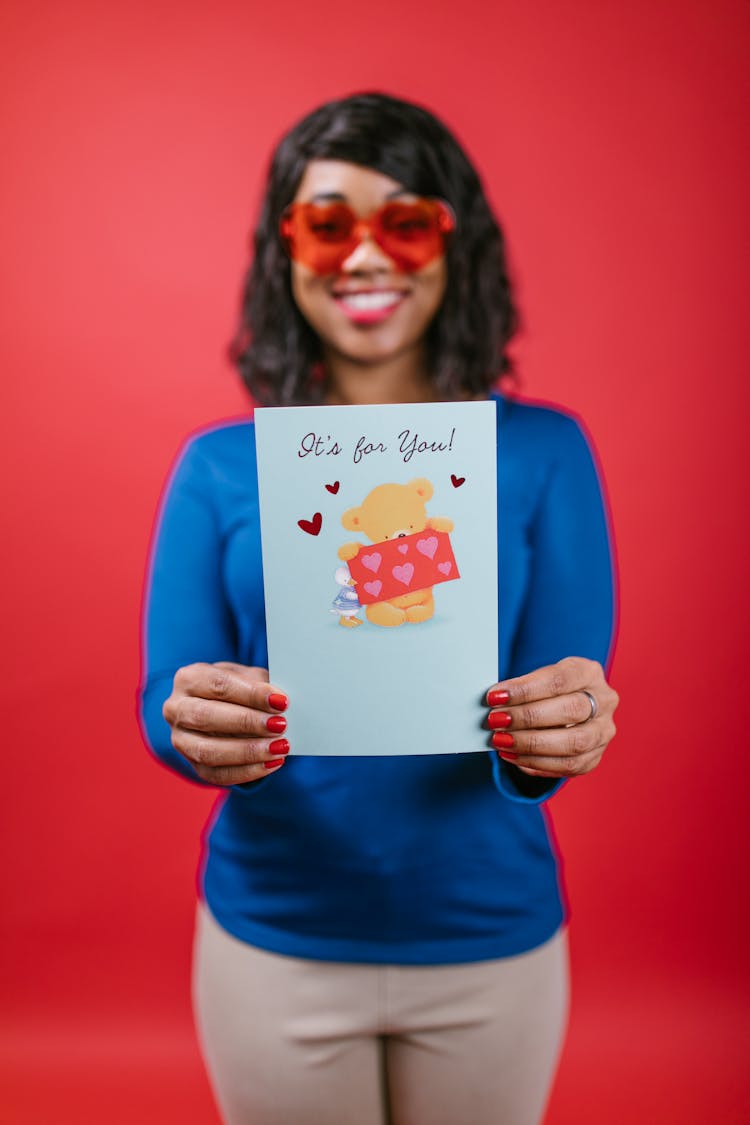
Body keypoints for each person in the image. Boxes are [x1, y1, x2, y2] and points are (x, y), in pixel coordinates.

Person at [139, 92, 619, 1125]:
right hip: (273, 936)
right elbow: (161, 706)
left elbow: (570, 688)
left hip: (491, 939)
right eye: (327, 223)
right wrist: (195, 722)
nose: (366, 255)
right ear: (286, 252)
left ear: (456, 244)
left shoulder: (544, 453)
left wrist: (565, 724)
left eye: (405, 222)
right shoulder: (220, 469)